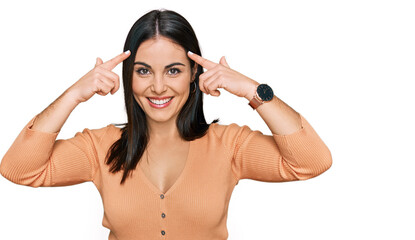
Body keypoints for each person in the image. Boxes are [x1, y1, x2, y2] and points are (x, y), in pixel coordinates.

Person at [0, 9, 332, 240]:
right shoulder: (98, 147)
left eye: (173, 70)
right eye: (143, 71)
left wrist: (251, 89)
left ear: (193, 76)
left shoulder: (230, 145)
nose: (158, 87)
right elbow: (19, 170)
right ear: (129, 78)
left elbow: (311, 162)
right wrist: (73, 94)